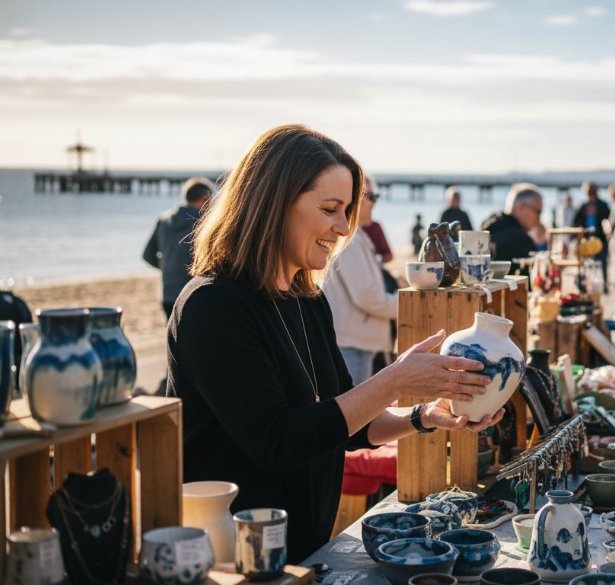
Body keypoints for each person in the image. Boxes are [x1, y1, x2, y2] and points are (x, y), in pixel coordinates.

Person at [167, 124, 501, 562]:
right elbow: (277, 443)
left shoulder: (307, 299)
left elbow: (351, 425)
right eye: (330, 209)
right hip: (234, 559)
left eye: (346, 211)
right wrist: (393, 380)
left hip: (308, 553)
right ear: (273, 203)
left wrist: (425, 415)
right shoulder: (213, 305)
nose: (343, 228)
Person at [323, 176, 399, 384]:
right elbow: (368, 298)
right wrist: (407, 304)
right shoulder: (350, 241)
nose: (374, 203)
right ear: (353, 198)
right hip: (355, 345)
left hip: (358, 342)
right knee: (357, 404)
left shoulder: (357, 237)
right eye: (371, 196)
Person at [142, 177, 214, 318]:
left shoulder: (163, 220)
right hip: (195, 292)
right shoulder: (204, 221)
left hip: (168, 294)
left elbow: (147, 255)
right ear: (205, 198)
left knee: (171, 331)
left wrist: (168, 267)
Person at [481, 182, 543, 265]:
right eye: (538, 212)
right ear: (520, 207)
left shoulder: (488, 226)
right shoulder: (521, 240)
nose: (539, 219)